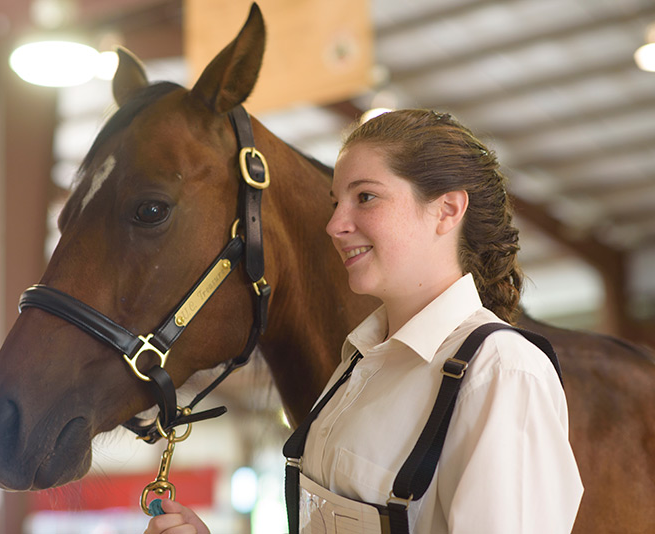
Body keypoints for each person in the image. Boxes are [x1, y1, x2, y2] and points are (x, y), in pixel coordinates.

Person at [145, 109, 583, 534]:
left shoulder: (502, 372)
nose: (335, 224)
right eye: (336, 203)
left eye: (365, 197)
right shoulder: (356, 364)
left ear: (447, 210)